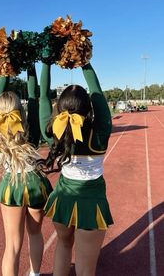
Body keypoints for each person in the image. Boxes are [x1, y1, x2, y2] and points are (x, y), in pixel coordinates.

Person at [39, 62, 114, 276]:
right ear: (88, 108)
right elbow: (98, 93)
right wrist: (86, 63)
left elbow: (43, 97)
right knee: (85, 267)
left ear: (60, 108)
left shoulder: (54, 132)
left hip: (63, 199)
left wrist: (46, 64)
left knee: (63, 247)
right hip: (91, 204)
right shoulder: (99, 133)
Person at [0, 68, 52, 276]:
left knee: (12, 245)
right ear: (20, 113)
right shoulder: (31, 128)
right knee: (35, 234)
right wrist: (32, 68)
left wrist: (5, 69)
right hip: (35, 185)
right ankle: (35, 274)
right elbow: (34, 96)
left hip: (11, 187)